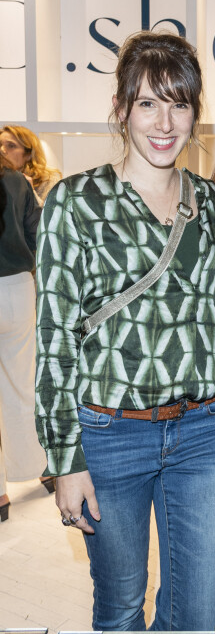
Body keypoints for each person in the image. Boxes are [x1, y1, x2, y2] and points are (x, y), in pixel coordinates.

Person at [35, 31, 215, 632]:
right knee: (122, 608)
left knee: (195, 611)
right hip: (110, 435)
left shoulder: (208, 202)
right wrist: (63, 460)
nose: (164, 121)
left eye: (179, 104)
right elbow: (55, 338)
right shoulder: (75, 202)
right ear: (122, 108)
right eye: (148, 102)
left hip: (204, 433)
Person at [0, 158, 46, 523]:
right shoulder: (17, 181)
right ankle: (42, 466)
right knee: (22, 384)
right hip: (17, 286)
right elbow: (39, 234)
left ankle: (0, 494)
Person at [0, 125, 61, 205]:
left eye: (11, 146)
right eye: (0, 145)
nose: (2, 150)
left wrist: (30, 192)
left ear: (29, 154)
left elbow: (48, 215)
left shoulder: (48, 178)